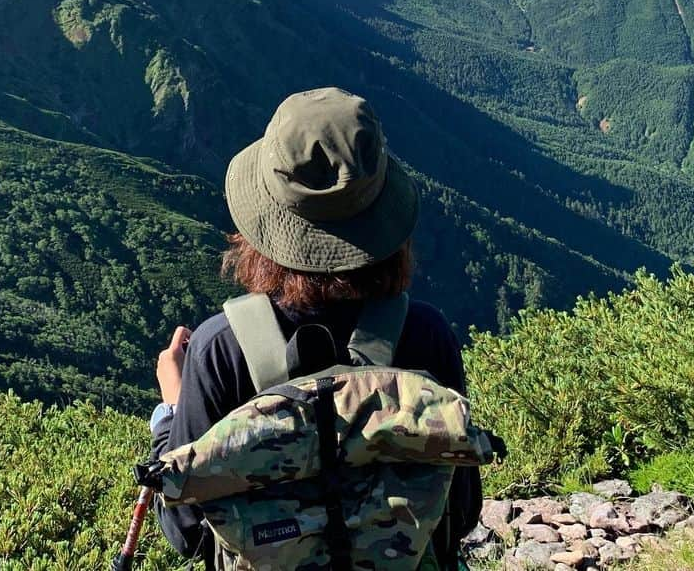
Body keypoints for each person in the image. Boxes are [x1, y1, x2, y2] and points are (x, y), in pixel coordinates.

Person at [148, 86, 482, 569]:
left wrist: (171, 410)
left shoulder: (221, 347)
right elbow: (461, 509)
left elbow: (186, 530)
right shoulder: (424, 332)